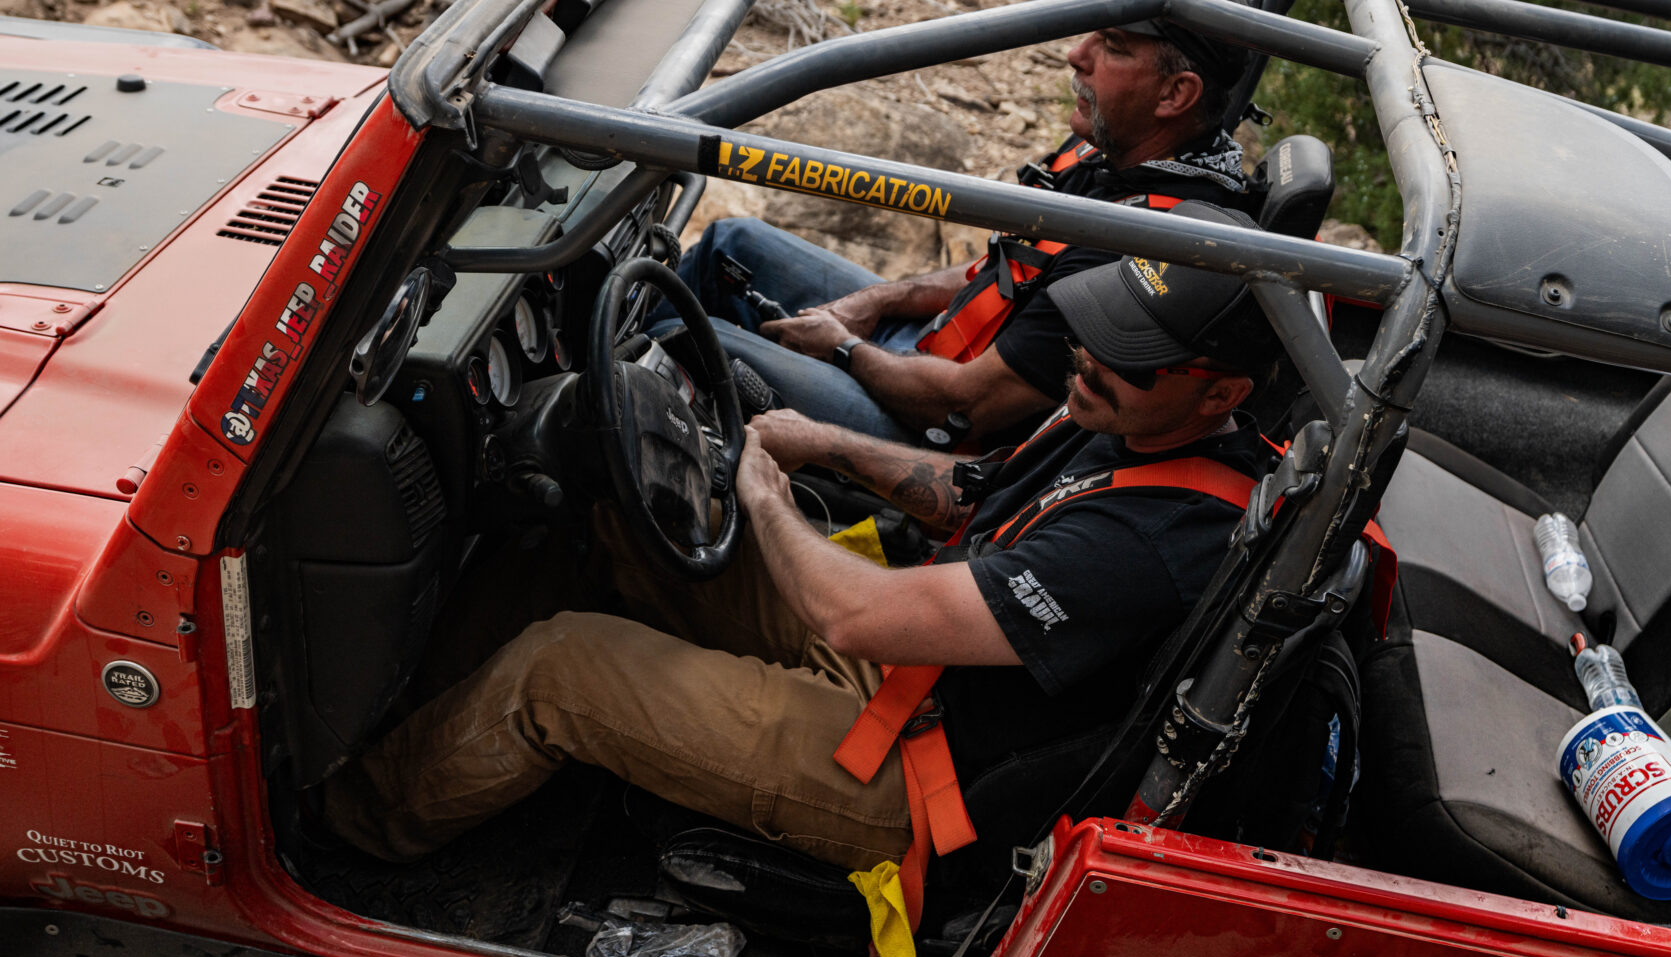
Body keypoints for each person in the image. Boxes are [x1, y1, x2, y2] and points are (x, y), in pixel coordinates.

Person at [323, 250, 1283, 914]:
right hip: (917, 666)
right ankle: (403, 726)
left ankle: (342, 834)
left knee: (560, 670)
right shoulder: (1120, 416)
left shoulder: (1155, 543)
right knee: (607, 526)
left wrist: (763, 493)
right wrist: (821, 441)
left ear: (1223, 393)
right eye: (1098, 329)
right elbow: (970, 491)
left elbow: (854, 615)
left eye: (1132, 356)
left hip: (915, 776)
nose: (1091, 357)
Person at [668, 0, 1260, 446]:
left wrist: (843, 347)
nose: (1077, 55)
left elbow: (968, 406)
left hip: (932, 430)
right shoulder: (1108, 152)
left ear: (1175, 94)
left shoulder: (1144, 245)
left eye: (1112, 45)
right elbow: (1010, 266)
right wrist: (879, 300)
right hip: (930, 344)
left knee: (680, 332)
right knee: (731, 244)